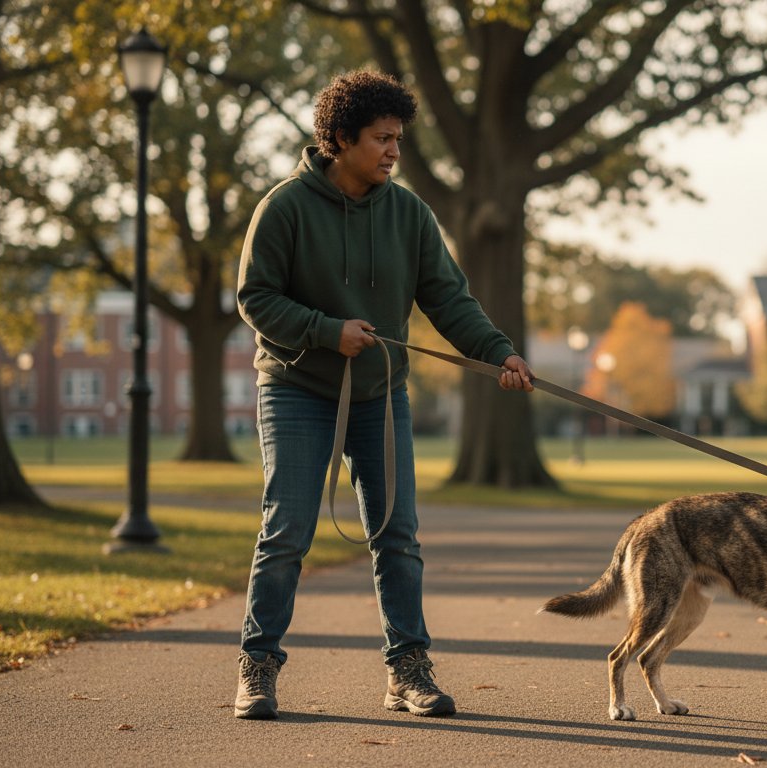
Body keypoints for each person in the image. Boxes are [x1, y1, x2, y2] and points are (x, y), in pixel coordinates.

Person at [233, 69, 534, 721]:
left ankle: (407, 670)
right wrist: (325, 330)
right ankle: (258, 666)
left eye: (398, 138)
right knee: (286, 531)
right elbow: (254, 298)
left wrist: (498, 352)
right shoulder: (284, 207)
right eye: (382, 139)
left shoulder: (409, 214)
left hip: (380, 394)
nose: (395, 151)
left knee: (397, 536)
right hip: (295, 388)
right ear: (341, 138)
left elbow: (449, 299)